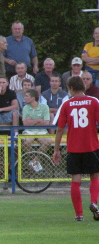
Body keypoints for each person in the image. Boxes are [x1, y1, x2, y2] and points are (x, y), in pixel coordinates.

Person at [53, 76, 99, 221]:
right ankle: (93, 202)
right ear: (84, 87)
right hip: (91, 145)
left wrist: (56, 150)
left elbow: (60, 129)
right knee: (95, 176)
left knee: (76, 180)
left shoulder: (67, 104)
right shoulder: (93, 102)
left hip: (74, 147)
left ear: (71, 89)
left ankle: (79, 214)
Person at [21, 89, 51, 171]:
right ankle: (35, 161)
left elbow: (46, 123)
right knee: (25, 142)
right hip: (29, 130)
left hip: (41, 130)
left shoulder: (44, 107)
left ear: (33, 98)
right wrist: (38, 120)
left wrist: (31, 121)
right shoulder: (25, 108)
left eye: (27, 96)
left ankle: (35, 161)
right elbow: (25, 124)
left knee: (47, 142)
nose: (24, 98)